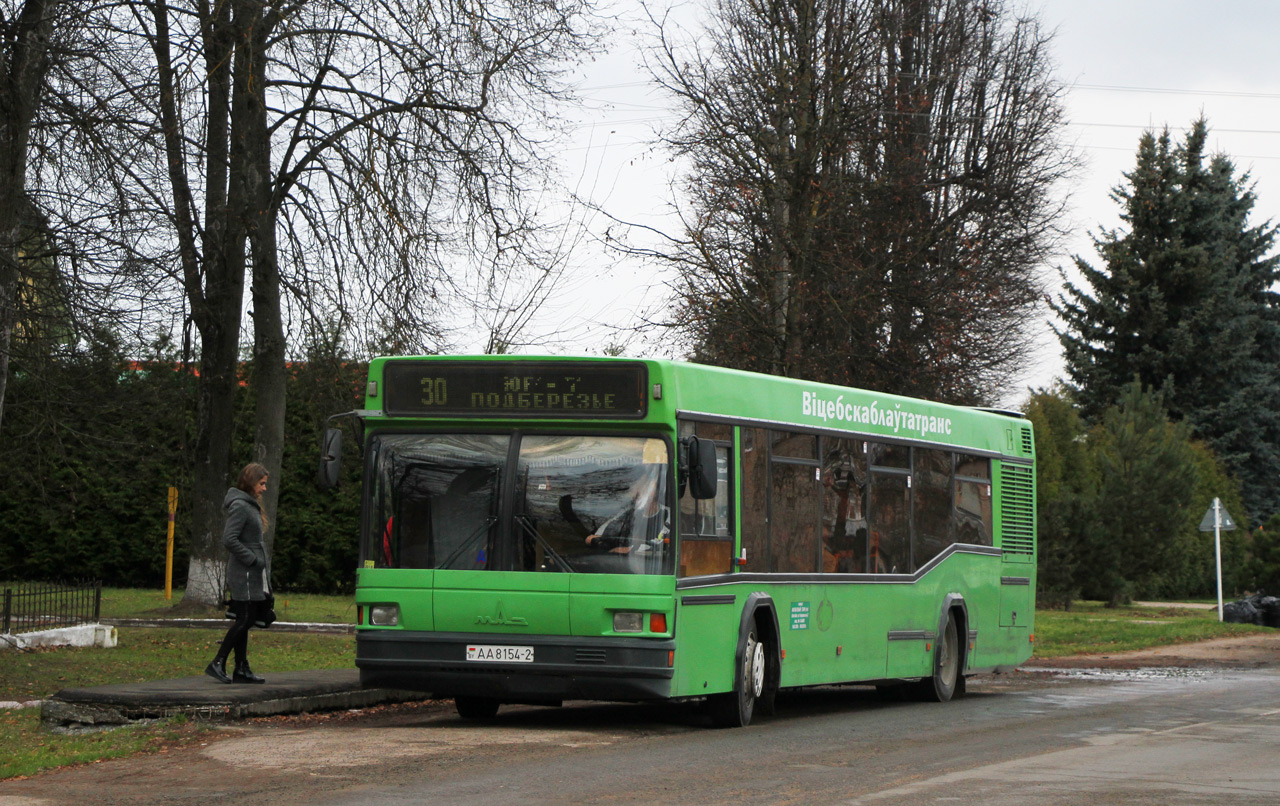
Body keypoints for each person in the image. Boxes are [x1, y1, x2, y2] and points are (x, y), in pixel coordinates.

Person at [205, 462, 272, 684]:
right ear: (251, 482)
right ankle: (218, 661)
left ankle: (241, 667)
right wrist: (251, 559)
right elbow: (229, 539)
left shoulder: (249, 505)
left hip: (251, 573)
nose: (264, 488)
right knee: (246, 617)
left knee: (245, 617)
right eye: (261, 484)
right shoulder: (241, 506)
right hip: (243, 572)